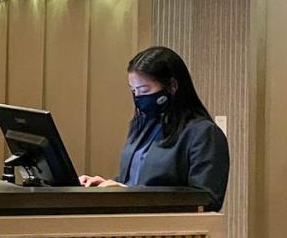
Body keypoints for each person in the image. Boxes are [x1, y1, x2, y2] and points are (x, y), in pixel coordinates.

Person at [80, 45, 230, 211]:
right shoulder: (141, 126)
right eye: (134, 91)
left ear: (172, 86)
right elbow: (136, 180)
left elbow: (208, 199)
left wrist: (131, 193)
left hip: (172, 232)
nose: (138, 97)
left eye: (144, 90)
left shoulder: (203, 133)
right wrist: (109, 186)